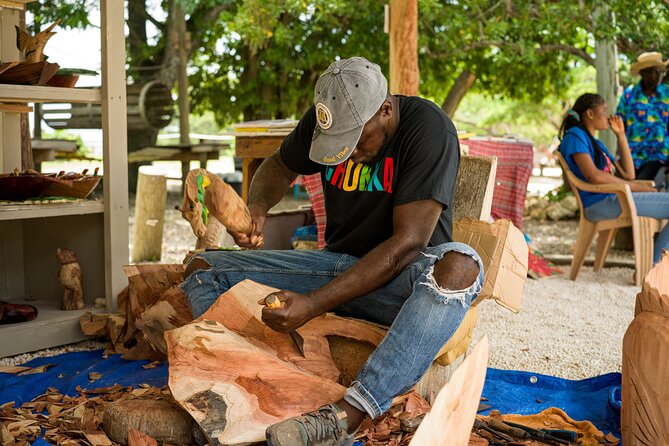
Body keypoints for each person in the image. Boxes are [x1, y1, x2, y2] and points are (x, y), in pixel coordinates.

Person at [180, 56, 484, 446]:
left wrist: (313, 304)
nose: (345, 153)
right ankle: (245, 385)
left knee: (461, 265)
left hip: (402, 282)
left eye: (355, 142)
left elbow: (406, 245)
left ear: (386, 110)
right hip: (335, 265)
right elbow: (277, 166)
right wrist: (257, 208)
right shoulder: (328, 115)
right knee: (203, 267)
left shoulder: (429, 129)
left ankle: (350, 414)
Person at [559, 92, 669, 265]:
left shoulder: (595, 143)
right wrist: (635, 187)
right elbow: (593, 175)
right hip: (601, 203)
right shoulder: (575, 136)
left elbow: (629, 174)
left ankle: (654, 267)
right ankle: (654, 269)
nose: (609, 115)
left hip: (613, 199)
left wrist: (621, 135)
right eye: (604, 110)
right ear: (590, 114)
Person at [616, 52, 669, 182]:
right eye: (655, 72)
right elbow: (619, 126)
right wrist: (620, 154)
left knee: (639, 186)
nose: (660, 76)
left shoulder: (667, 94)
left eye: (661, 72)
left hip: (658, 154)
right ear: (643, 73)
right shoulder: (629, 95)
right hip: (632, 155)